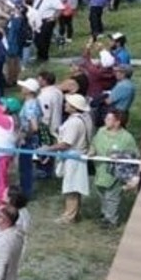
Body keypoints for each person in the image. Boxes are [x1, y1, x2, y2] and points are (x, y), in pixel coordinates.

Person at [49, 93, 94, 223]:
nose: (65, 104)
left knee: (71, 187)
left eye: (68, 103)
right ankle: (74, 214)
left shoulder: (74, 122)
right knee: (74, 186)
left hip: (73, 157)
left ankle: (69, 216)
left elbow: (66, 143)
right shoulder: (84, 118)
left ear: (74, 107)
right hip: (77, 155)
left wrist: (48, 148)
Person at [90, 108, 138, 228]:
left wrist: (120, 155)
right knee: (101, 192)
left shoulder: (127, 138)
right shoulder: (101, 131)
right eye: (106, 118)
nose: (105, 120)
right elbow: (94, 143)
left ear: (117, 122)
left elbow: (134, 155)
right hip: (100, 169)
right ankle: (105, 213)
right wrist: (92, 151)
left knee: (112, 196)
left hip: (116, 172)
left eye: (109, 119)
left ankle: (111, 220)